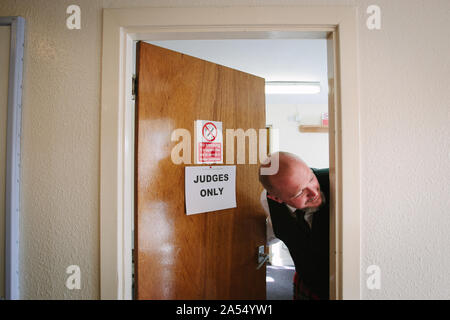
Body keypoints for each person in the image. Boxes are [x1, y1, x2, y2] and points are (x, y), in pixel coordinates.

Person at [259, 151, 330, 300]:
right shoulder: (268, 202)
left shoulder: (340, 183)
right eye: (299, 192)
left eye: (311, 178)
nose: (313, 192)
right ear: (276, 198)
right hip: (306, 282)